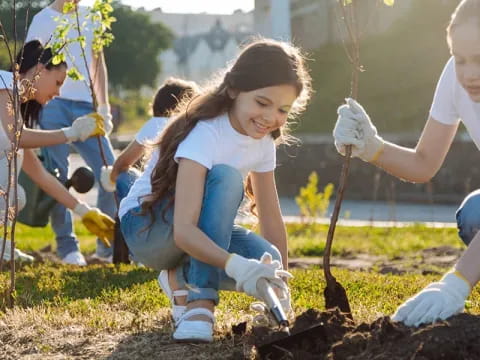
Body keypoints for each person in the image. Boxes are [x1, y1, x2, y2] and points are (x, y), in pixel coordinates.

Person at [119, 38, 312, 342]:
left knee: (267, 257)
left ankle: (179, 276)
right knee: (226, 177)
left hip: (192, 230)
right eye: (262, 103)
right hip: (147, 227)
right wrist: (237, 266)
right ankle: (200, 303)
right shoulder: (206, 132)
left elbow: (271, 221)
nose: (271, 117)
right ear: (234, 90)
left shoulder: (263, 142)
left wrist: (278, 285)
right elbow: (184, 231)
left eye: (283, 109)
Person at [332, 0, 480, 326]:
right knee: (474, 215)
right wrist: (371, 147)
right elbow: (424, 163)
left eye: (479, 60)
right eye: (461, 60)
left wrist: (456, 283)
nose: (469, 74)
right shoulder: (455, 80)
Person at [0, 40, 114, 262]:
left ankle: (3, 250)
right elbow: (18, 136)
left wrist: (84, 211)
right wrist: (72, 133)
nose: (58, 92)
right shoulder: (4, 82)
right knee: (13, 195)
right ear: (41, 70)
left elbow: (42, 177)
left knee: (16, 194)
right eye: (58, 82)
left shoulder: (15, 112)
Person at [26, 0, 116, 265]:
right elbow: (32, 64)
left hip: (88, 105)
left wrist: (104, 107)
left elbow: (98, 64)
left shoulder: (92, 17)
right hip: (53, 103)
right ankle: (68, 248)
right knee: (59, 175)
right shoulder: (42, 20)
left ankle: (106, 247)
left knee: (110, 172)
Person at [99, 77, 198, 201]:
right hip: (186, 197)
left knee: (123, 176)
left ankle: (121, 216)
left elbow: (122, 163)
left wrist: (111, 179)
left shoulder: (157, 123)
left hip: (154, 199)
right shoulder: (196, 126)